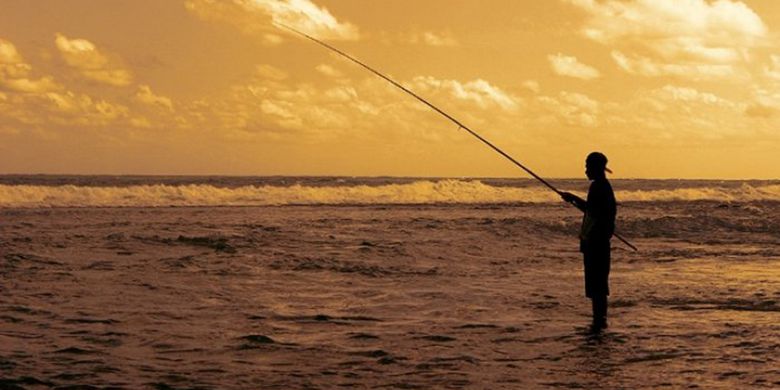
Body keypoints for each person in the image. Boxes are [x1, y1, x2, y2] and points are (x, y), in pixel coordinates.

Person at [560, 152, 616, 332]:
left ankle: (599, 322)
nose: (585, 170)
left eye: (587, 166)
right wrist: (574, 199)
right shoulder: (601, 187)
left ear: (596, 168)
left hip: (597, 244)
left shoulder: (600, 187)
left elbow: (595, 213)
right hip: (597, 243)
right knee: (597, 286)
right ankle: (599, 321)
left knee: (598, 287)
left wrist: (574, 199)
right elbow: (595, 211)